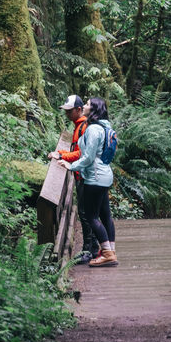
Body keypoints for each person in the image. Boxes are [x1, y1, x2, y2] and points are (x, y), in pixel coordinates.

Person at [58, 96, 117, 268]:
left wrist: (71, 166)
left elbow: (88, 157)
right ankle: (110, 250)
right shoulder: (106, 127)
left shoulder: (92, 130)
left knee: (91, 216)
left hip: (95, 177)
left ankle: (107, 254)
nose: (84, 106)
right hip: (105, 174)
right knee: (105, 214)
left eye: (88, 104)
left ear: (94, 109)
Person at [48, 93, 99, 264]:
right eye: (66, 111)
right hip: (82, 174)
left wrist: (62, 155)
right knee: (87, 213)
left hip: (85, 175)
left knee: (86, 214)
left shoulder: (84, 127)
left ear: (79, 110)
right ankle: (92, 248)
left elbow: (83, 154)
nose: (67, 114)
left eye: (70, 111)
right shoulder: (79, 126)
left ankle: (89, 250)